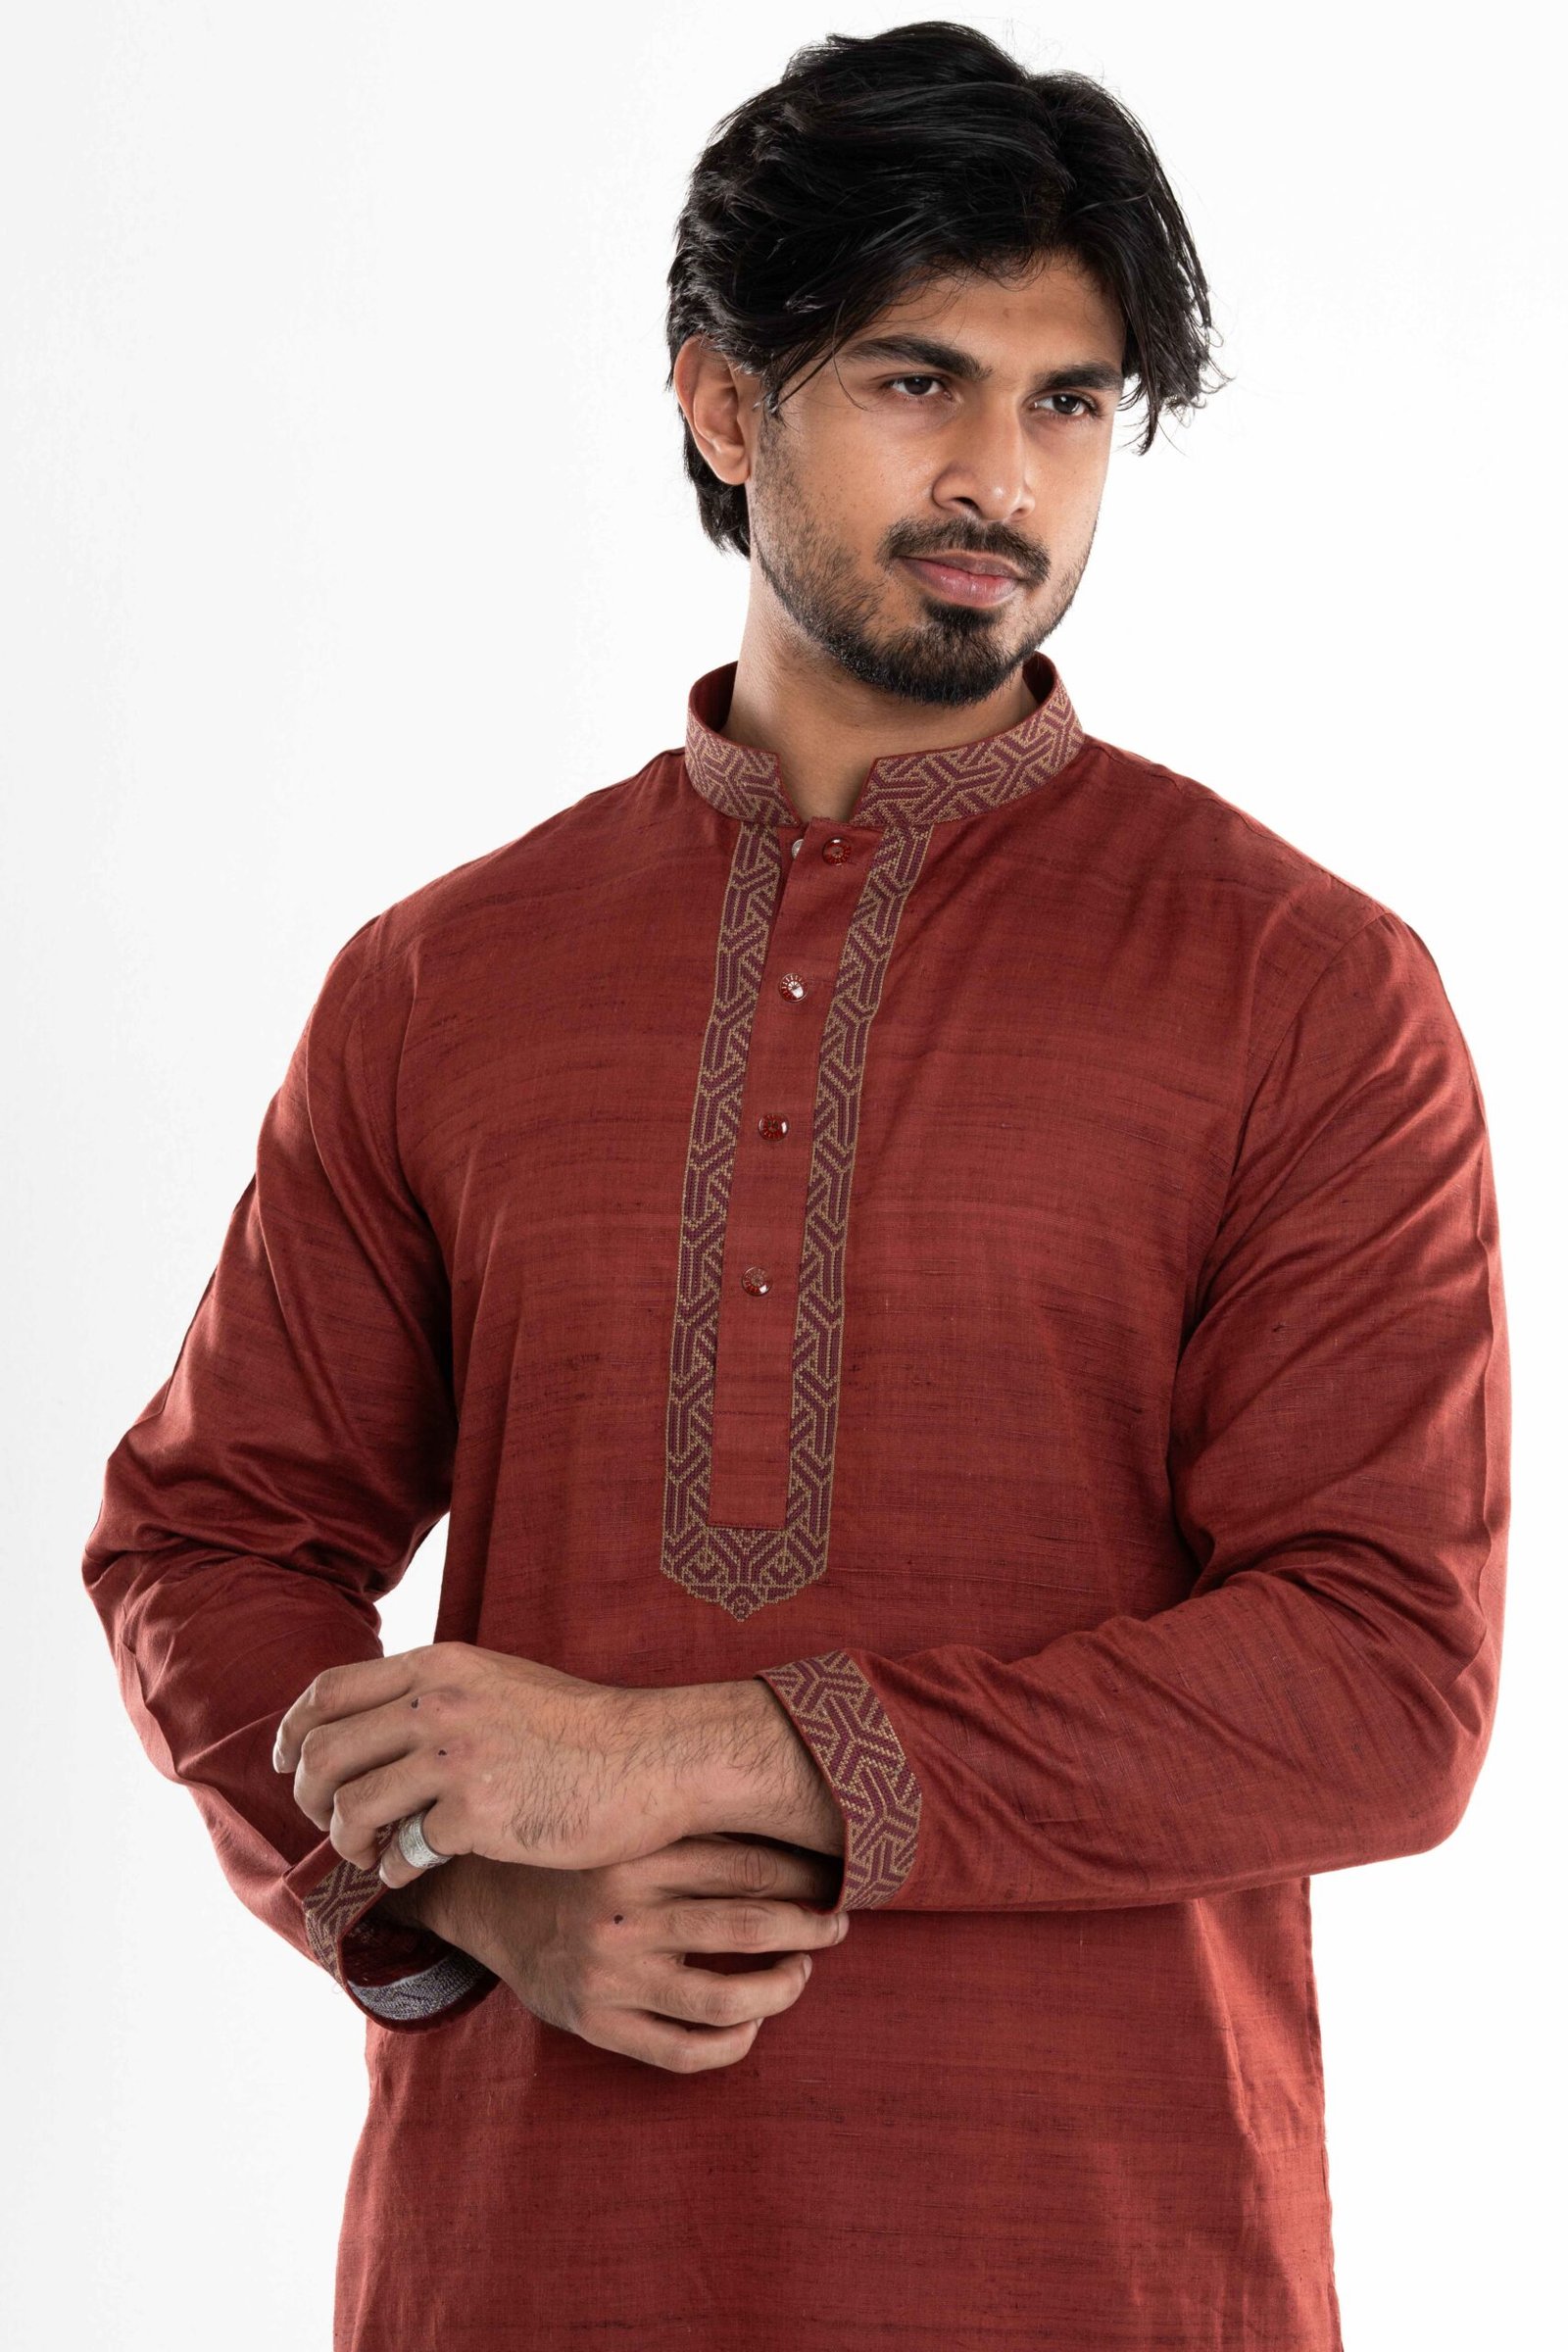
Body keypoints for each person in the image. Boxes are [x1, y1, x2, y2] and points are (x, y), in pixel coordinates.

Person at [81, 21, 1510, 2350]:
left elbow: (1377, 1678)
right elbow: (209, 1541)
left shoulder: (1299, 988)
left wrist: (684, 1753)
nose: (999, 478)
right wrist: (461, 1904)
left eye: (1068, 403)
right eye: (914, 381)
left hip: (1104, 2261)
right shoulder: (446, 982)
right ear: (723, 406)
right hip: (529, 2265)